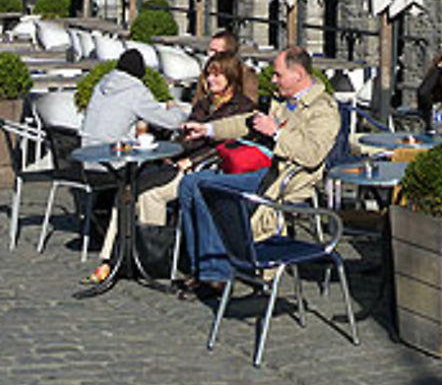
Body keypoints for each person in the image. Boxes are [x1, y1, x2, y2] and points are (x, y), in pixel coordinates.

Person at [177, 44, 339, 293]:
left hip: (287, 178)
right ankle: (203, 265)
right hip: (266, 170)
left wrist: (277, 133)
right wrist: (208, 129)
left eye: (278, 75)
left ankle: (216, 273)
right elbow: (247, 122)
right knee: (190, 183)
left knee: (206, 187)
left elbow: (312, 153)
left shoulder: (322, 109)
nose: (273, 80)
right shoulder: (281, 99)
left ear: (298, 75)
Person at [80, 48, 191, 285]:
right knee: (140, 185)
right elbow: (168, 121)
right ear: (140, 74)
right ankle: (148, 256)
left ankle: (112, 258)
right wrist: (177, 111)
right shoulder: (135, 90)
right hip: (115, 166)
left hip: (89, 164)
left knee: (131, 191)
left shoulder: (101, 84)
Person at [135, 51, 255, 228]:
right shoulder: (204, 103)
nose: (210, 79)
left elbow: (226, 146)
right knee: (130, 188)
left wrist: (191, 160)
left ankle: (153, 251)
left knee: (151, 195)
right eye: (208, 74)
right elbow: (187, 136)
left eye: (216, 75)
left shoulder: (243, 107)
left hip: (206, 168)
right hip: (180, 162)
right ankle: (114, 251)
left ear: (231, 76)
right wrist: (167, 153)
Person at [207, 28, 260, 101]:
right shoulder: (207, 71)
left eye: (215, 51)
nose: (210, 54)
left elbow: (250, 102)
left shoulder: (245, 74)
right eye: (210, 50)